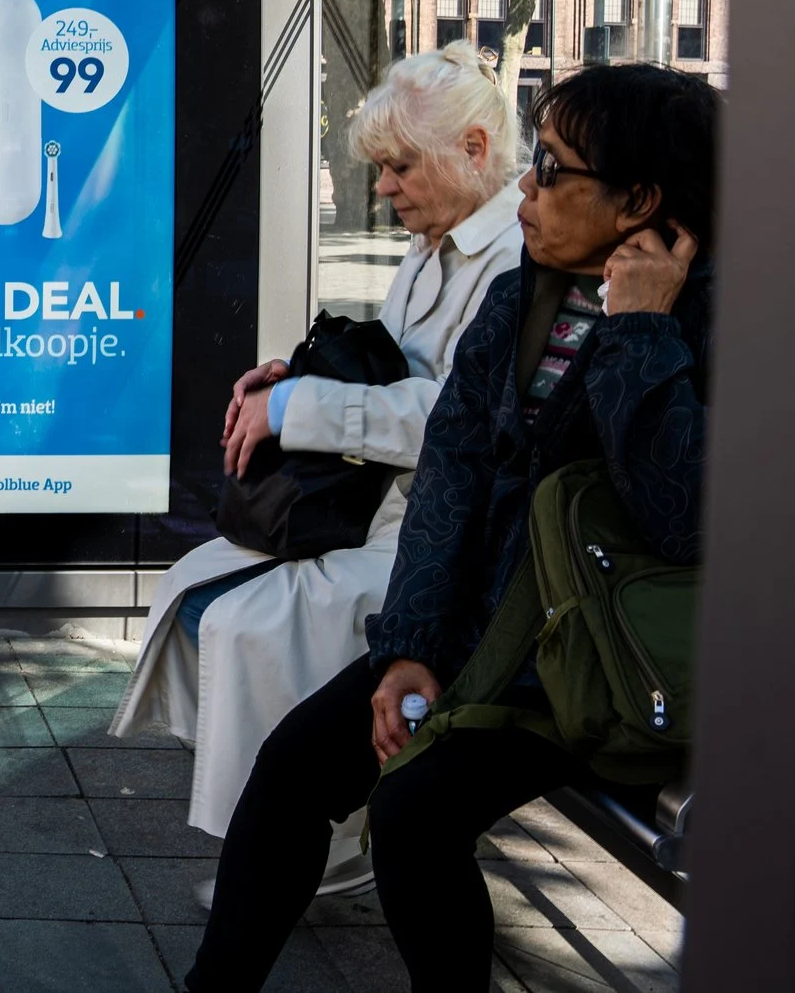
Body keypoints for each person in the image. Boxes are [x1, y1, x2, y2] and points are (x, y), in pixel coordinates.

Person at [186, 62, 719, 992]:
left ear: (641, 199)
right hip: (495, 643)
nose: (527, 187)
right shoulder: (529, 295)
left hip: (614, 665)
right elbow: (452, 477)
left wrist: (641, 331)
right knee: (294, 768)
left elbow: (683, 517)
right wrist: (410, 649)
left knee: (414, 809)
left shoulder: (722, 316)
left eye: (553, 169)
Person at [112, 44, 524, 900]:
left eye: (400, 167)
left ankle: (279, 857)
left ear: (476, 149)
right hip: (386, 511)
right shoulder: (434, 244)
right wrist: (293, 378)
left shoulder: (508, 262)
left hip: (442, 538)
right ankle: (299, 835)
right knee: (199, 592)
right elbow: (394, 370)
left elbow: (458, 419)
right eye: (381, 168)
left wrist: (300, 408)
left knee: (242, 623)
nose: (384, 189)